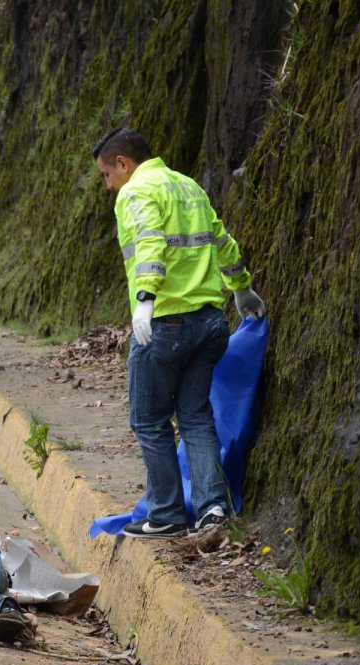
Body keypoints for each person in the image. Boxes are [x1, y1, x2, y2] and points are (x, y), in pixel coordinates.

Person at [92, 128, 266, 539]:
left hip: (166, 322)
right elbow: (222, 240)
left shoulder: (136, 192)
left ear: (123, 163)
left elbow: (149, 243)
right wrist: (241, 287)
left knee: (148, 419)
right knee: (195, 416)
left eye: (107, 174)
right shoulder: (188, 187)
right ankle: (213, 509)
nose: (108, 184)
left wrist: (145, 298)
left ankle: (167, 514)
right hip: (210, 322)